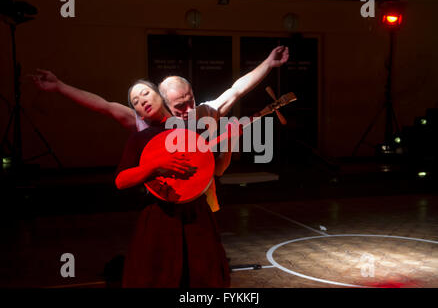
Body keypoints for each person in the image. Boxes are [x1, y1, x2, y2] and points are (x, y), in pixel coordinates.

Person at [31, 46, 290, 211]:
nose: (189, 109)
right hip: (162, 200)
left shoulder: (203, 112)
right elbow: (104, 106)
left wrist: (268, 63)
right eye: (180, 105)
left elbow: (236, 90)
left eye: (191, 99)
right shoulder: (144, 123)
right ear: (162, 103)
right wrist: (60, 87)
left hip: (197, 196)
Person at [115, 80, 230, 288]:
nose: (142, 100)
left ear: (160, 96)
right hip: (160, 216)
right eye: (136, 102)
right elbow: (121, 181)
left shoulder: (194, 129)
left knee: (202, 277)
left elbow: (217, 170)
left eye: (145, 94)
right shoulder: (139, 139)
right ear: (139, 114)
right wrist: (155, 166)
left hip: (196, 213)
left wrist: (230, 142)